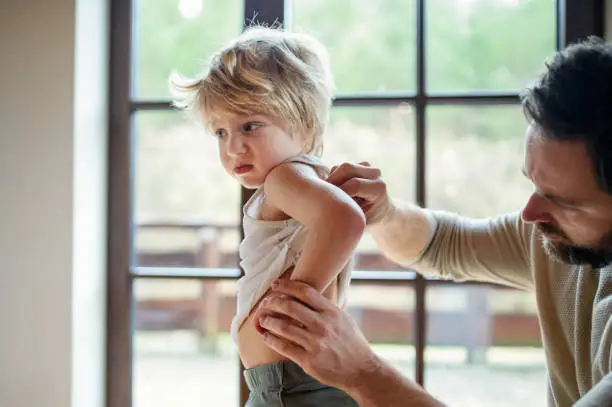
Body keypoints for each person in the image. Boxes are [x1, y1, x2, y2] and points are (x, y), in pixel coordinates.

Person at [254, 37, 612, 407]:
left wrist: (364, 373)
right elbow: (445, 243)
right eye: (534, 183)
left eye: (564, 202)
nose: (530, 214)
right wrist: (384, 213)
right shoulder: (558, 237)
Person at [171, 26, 365, 406]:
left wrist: (292, 307)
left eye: (250, 126)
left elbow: (345, 220)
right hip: (285, 383)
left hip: (291, 385)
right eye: (220, 133)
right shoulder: (298, 180)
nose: (233, 147)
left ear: (305, 123)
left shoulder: (285, 178)